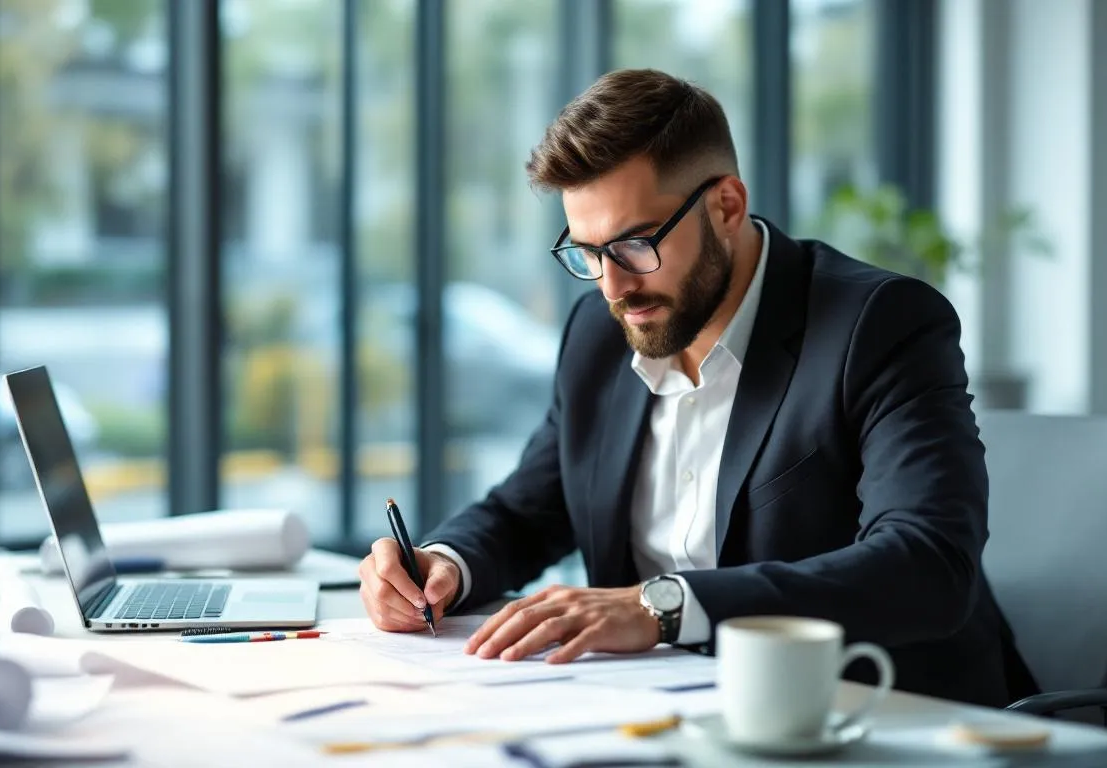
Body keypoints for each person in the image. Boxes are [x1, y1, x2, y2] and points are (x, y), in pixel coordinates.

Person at [357, 68, 1035, 708]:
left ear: (727, 205)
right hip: (658, 712)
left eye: (634, 244)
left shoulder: (877, 325)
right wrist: (441, 564)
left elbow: (926, 565)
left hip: (869, 715)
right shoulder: (600, 330)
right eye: (587, 253)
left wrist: (661, 607)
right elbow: (528, 511)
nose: (613, 286)